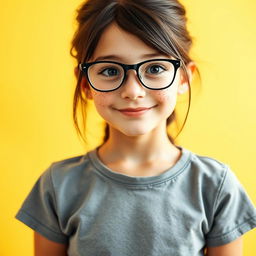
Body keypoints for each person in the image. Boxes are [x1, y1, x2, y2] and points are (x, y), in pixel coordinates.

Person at [16, 0, 256, 255]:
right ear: (85, 83)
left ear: (183, 78)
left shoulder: (215, 187)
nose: (132, 91)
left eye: (154, 68)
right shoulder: (58, 186)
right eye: (109, 70)